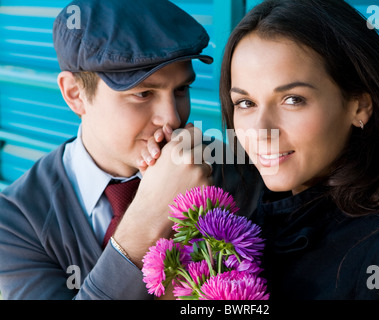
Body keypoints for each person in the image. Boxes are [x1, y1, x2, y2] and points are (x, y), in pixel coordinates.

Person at [219, 0, 379, 299]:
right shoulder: (243, 221)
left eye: (292, 99)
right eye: (246, 103)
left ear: (359, 106)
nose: (261, 132)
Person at [0, 0, 221, 300]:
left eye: (181, 90)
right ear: (75, 94)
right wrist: (148, 216)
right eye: (143, 93)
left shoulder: (225, 172)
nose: (172, 117)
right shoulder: (15, 221)